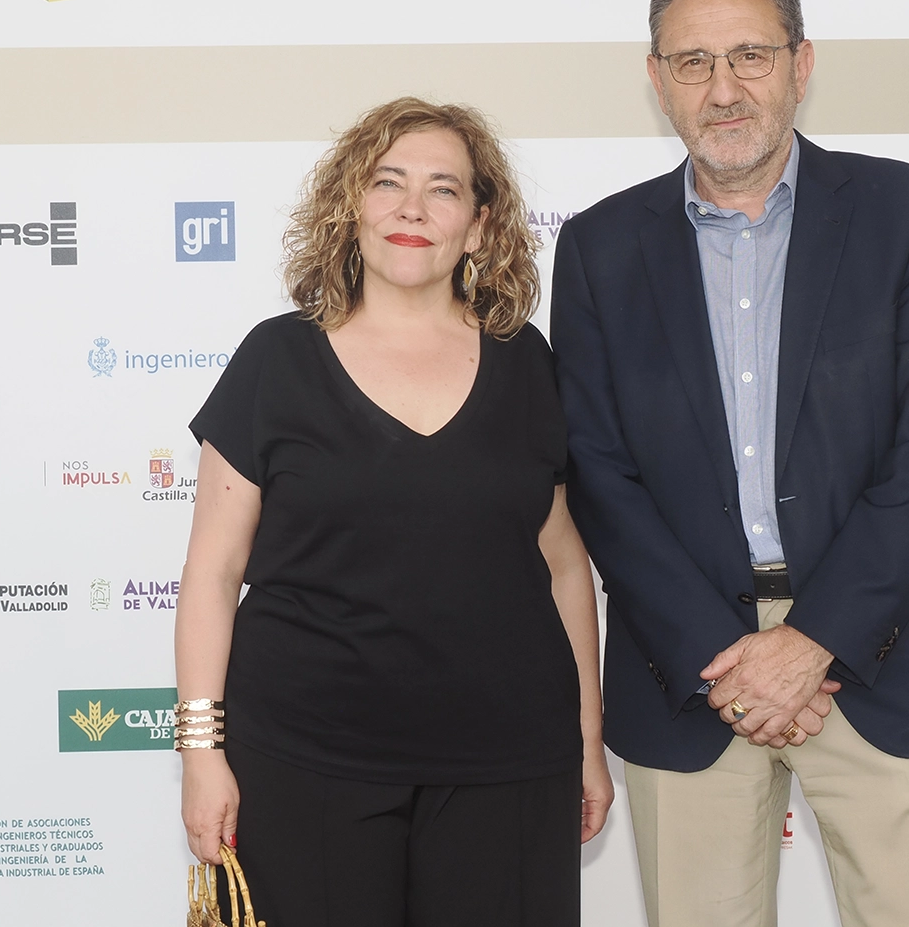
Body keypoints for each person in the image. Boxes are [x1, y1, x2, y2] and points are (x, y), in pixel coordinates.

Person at [549, 0, 909, 927]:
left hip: (890, 650)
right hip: (690, 672)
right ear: (657, 80)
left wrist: (813, 641)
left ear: (802, 65)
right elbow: (598, 471)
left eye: (751, 56)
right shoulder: (598, 246)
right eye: (692, 62)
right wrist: (727, 656)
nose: (723, 89)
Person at [175, 97, 613, 927]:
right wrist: (201, 751)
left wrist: (588, 741)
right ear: (353, 209)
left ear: (479, 227)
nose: (413, 208)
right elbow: (212, 571)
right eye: (389, 183)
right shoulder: (278, 359)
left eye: (443, 189)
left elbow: (563, 565)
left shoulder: (528, 365)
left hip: (508, 763)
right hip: (306, 763)